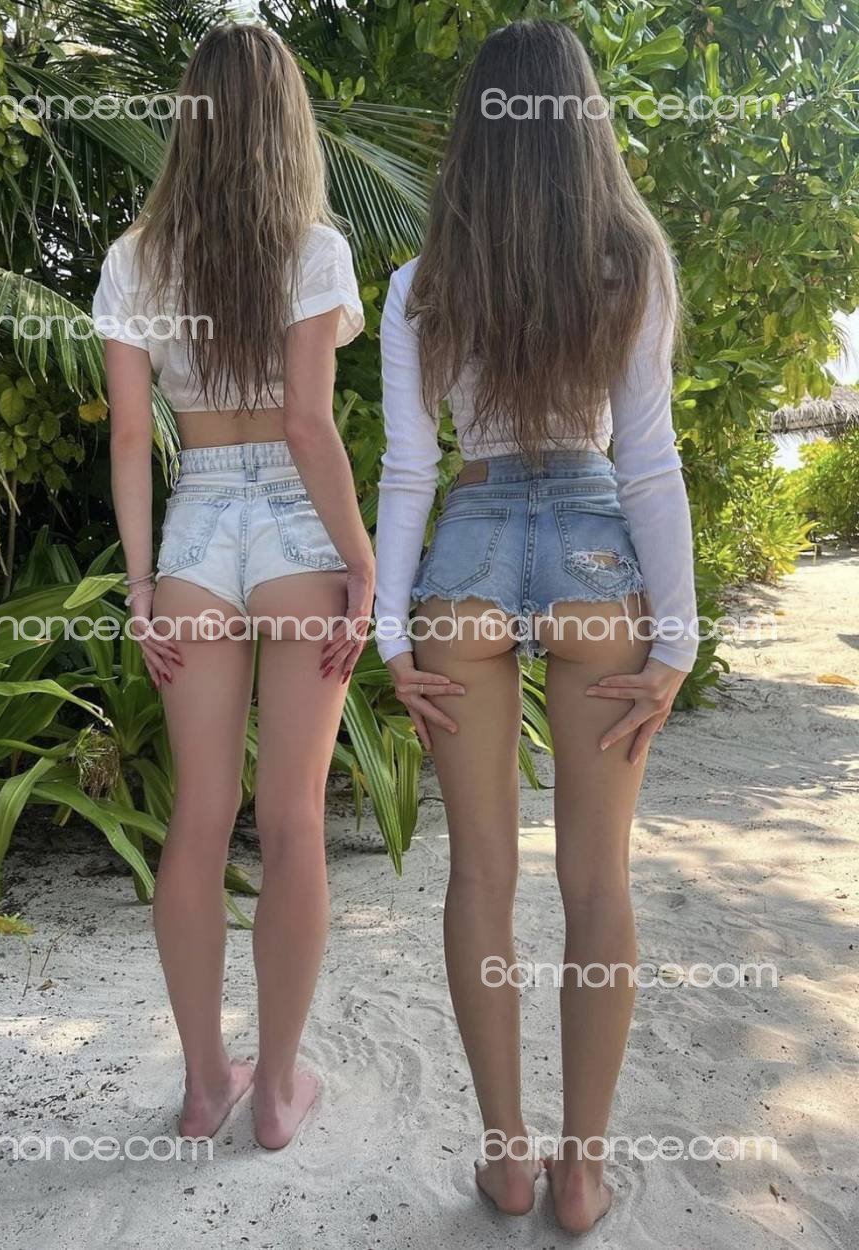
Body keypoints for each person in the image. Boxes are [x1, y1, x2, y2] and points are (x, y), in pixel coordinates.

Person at [374, 18, 698, 1233]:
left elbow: (409, 468)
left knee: (480, 873)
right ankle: (582, 1172)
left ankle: (507, 1158)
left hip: (464, 552)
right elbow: (650, 463)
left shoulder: (423, 285)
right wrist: (676, 639)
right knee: (596, 879)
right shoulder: (629, 263)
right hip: (595, 558)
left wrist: (389, 634)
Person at [94, 23, 371, 1150]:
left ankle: (206, 1082)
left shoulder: (134, 259)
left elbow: (128, 436)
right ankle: (279, 1089)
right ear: (288, 123)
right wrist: (361, 560)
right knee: (292, 817)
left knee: (198, 817)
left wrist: (141, 585)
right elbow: (308, 424)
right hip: (299, 526)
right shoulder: (314, 248)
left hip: (197, 526)